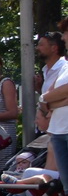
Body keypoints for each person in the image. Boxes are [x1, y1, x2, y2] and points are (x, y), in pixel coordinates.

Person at [37, 32, 68, 188]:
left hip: (64, 128)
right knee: (65, 186)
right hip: (57, 130)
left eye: (41, 44)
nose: (64, 38)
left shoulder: (62, 65)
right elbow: (46, 97)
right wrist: (46, 101)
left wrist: (48, 101)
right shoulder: (63, 67)